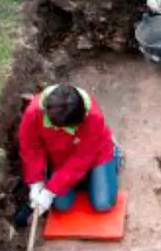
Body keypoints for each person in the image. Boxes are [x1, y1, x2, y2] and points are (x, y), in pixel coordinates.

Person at [18, 83, 120, 215]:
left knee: (103, 204)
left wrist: (50, 191)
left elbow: (81, 160)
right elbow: (31, 147)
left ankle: (115, 154)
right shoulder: (33, 112)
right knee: (61, 205)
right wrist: (35, 182)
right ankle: (86, 180)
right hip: (61, 158)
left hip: (96, 155)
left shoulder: (94, 117)